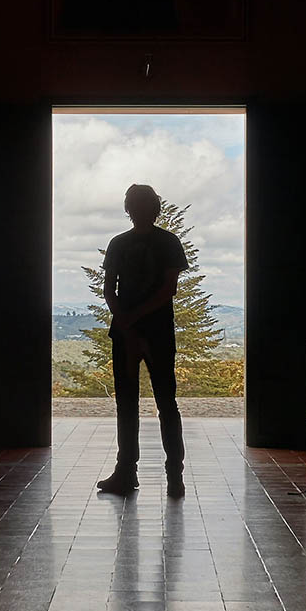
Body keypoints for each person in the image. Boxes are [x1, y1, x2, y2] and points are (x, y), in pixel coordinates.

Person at [96, 184, 189, 498]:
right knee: (166, 403)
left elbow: (110, 291)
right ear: (156, 207)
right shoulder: (169, 243)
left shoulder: (118, 244)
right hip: (159, 331)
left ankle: (126, 472)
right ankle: (174, 475)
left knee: (128, 404)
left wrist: (127, 324)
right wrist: (136, 324)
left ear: (129, 208)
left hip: (125, 331)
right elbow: (167, 290)